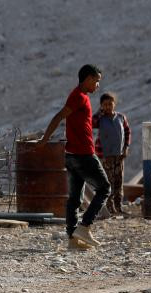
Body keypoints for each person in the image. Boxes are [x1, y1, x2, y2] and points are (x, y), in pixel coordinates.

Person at [37, 64, 110, 250]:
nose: (98, 85)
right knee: (104, 188)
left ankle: (72, 239)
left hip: (72, 154)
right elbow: (59, 116)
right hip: (83, 154)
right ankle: (84, 227)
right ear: (87, 78)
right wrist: (45, 139)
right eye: (96, 81)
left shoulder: (82, 96)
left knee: (75, 198)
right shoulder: (77, 96)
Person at [92, 92, 130, 215]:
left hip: (119, 155)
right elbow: (91, 122)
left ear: (115, 104)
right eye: (105, 105)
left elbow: (127, 132)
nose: (108, 106)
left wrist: (126, 148)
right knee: (109, 182)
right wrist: (99, 112)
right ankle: (109, 207)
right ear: (101, 106)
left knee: (119, 181)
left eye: (110, 104)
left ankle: (119, 207)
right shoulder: (100, 119)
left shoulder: (121, 117)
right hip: (105, 156)